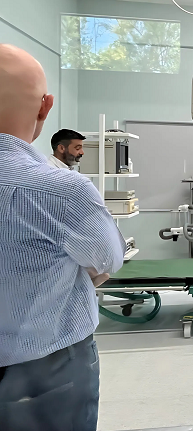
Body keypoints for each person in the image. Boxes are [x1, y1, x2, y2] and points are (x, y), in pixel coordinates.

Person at [0, 44, 125, 431]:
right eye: (78, 147)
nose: (81, 153)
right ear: (45, 106)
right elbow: (107, 259)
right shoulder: (61, 189)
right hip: (46, 366)